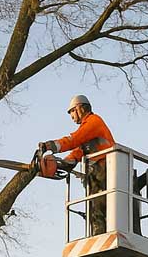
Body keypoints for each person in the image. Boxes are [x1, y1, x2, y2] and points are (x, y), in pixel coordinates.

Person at [40, 95, 114, 236]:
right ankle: (98, 234)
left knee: (98, 206)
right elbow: (79, 151)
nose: (72, 116)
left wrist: (51, 145)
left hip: (104, 169)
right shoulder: (88, 128)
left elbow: (74, 140)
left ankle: (99, 236)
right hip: (97, 172)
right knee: (95, 206)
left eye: (72, 111)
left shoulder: (94, 121)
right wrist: (63, 163)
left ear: (80, 108)